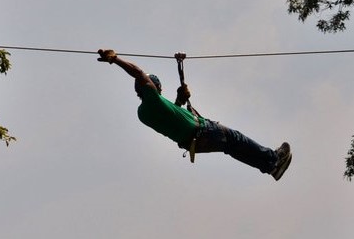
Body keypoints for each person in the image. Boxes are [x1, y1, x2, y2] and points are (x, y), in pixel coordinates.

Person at [98, 49, 292, 180]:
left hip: (194, 143)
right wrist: (115, 59)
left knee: (232, 148)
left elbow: (172, 119)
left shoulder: (144, 113)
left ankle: (270, 168)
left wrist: (179, 101)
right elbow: (139, 73)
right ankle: (272, 159)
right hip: (203, 132)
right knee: (236, 138)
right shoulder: (152, 98)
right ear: (153, 88)